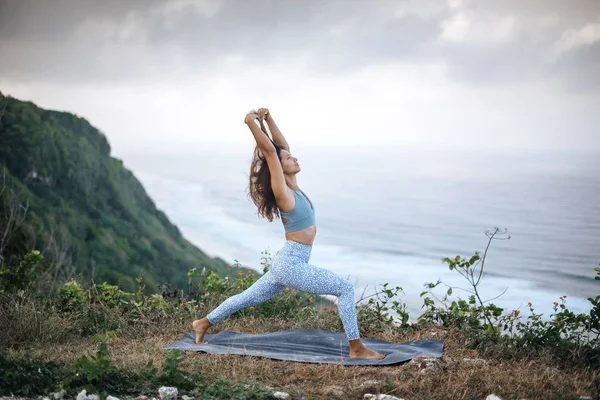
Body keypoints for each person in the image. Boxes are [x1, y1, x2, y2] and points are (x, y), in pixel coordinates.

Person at [192, 108, 385, 359]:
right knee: (346, 289)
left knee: (244, 298)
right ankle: (356, 348)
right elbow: (272, 152)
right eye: (290, 159)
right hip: (292, 264)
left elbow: (280, 147)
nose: (295, 158)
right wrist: (251, 123)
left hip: (287, 262)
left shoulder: (295, 187)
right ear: (279, 169)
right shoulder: (283, 192)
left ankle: (203, 323)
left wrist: (269, 120)